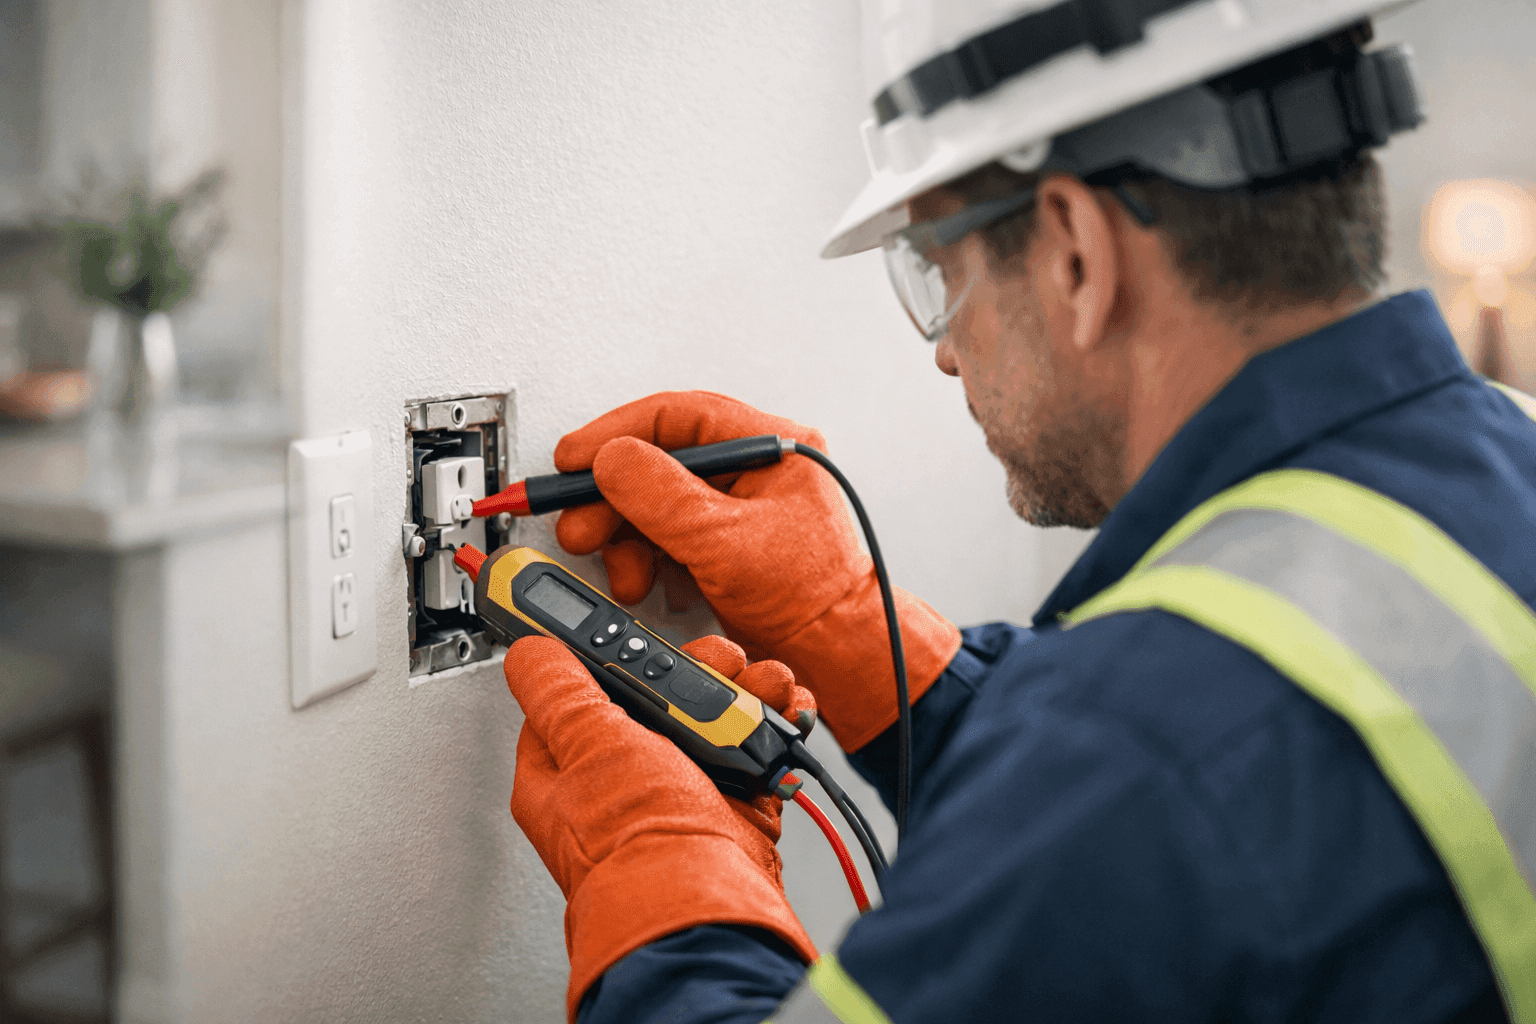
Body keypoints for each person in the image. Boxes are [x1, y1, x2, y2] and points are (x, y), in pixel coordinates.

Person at [502, 1, 1536, 1021]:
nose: (947, 349)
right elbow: (1249, 816)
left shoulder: (1137, 750)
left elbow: (1160, 788)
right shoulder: (1509, 454)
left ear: (1076, 251)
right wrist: (860, 632)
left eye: (940, 272)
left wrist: (657, 863)